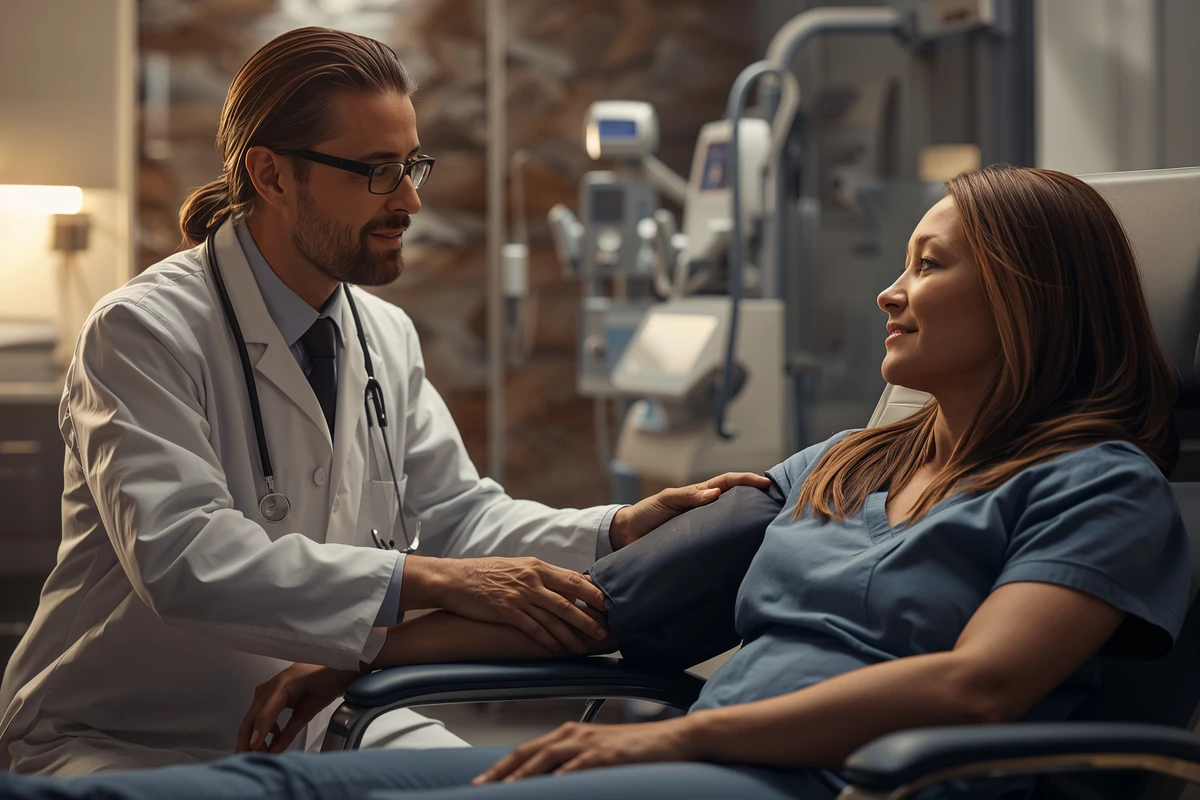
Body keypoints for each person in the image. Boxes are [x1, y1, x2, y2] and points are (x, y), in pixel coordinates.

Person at [0, 163, 1186, 799]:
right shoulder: (848, 459)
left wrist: (659, 744)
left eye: (927, 266)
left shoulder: (1096, 486)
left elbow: (980, 686)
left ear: (1029, 298)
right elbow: (615, 600)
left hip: (824, 775)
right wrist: (353, 656)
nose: (890, 288)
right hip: (703, 751)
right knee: (285, 782)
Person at [0, 26, 769, 777]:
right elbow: (185, 558)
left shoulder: (383, 334)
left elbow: (459, 517)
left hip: (326, 717)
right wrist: (434, 581)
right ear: (272, 176)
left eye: (412, 165)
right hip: (130, 734)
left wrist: (617, 530)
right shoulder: (142, 331)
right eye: (376, 171)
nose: (410, 199)